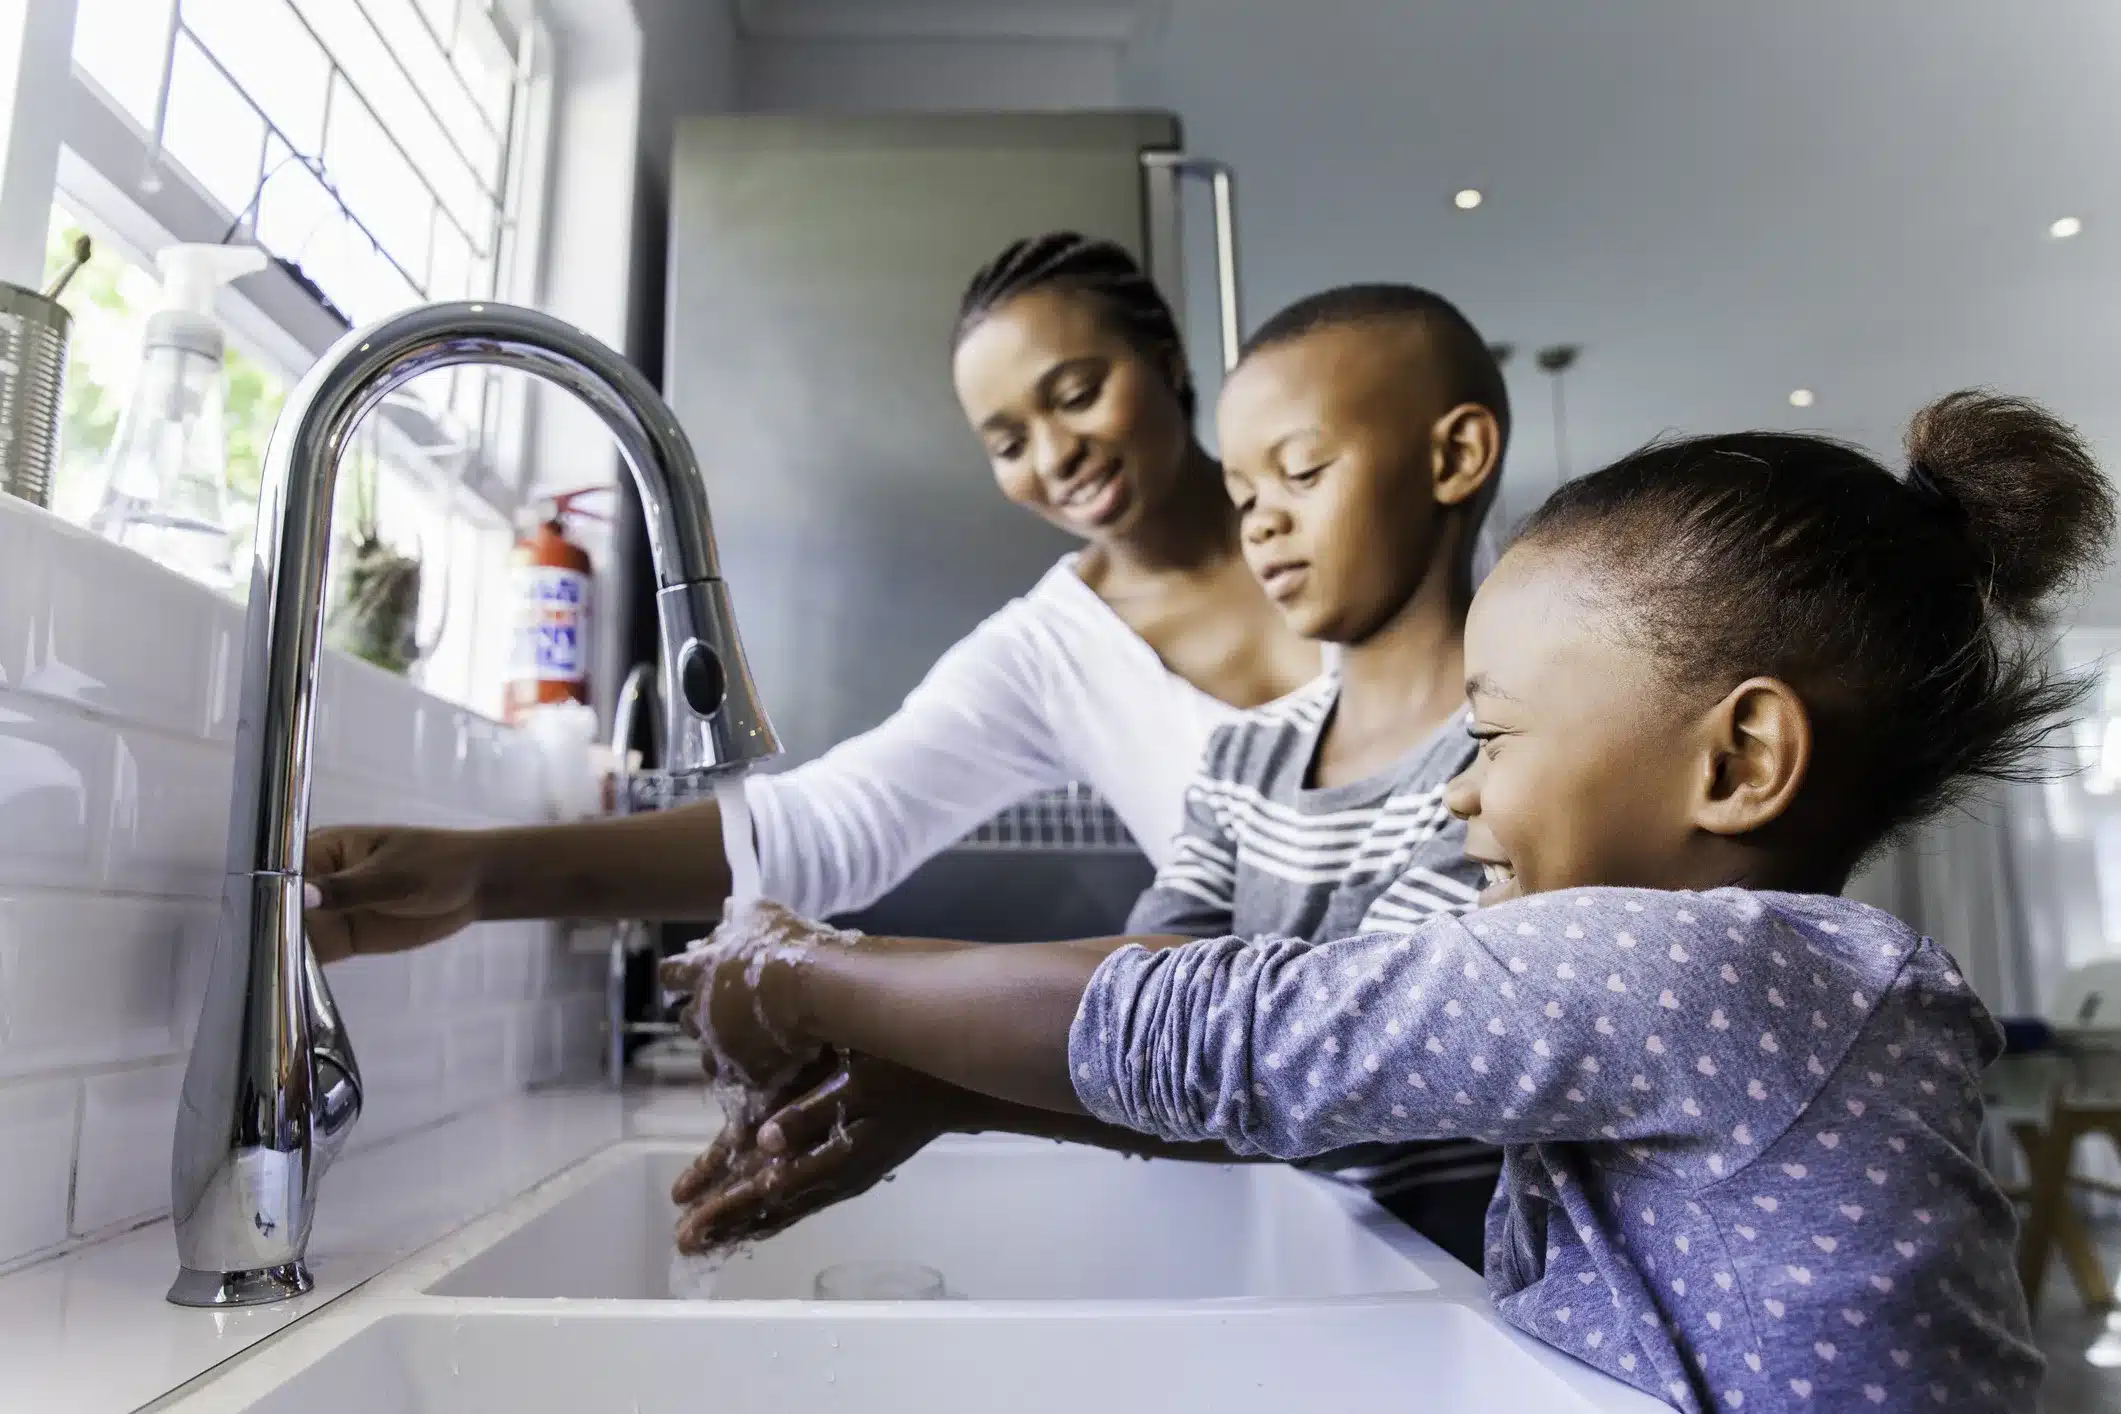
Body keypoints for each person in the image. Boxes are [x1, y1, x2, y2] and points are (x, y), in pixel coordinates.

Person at [664, 391, 2113, 1411]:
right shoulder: (1746, 988)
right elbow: (1337, 1086)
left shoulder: (1701, 967)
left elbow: (1240, 1033)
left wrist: (804, 965)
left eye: (1493, 734)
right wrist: (946, 1091)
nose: (1460, 789)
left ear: (1736, 758)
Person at [670, 284, 1514, 1272]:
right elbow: (1158, 994)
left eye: (1304, 473)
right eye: (1245, 495)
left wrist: (816, 976)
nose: (1263, 525)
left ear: (1455, 457)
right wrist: (941, 1086)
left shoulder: (1514, 760)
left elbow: (1323, 1056)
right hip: (1338, 1274)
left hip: (1487, 1311)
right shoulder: (1246, 761)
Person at [300, 232, 1319, 961]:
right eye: (1007, 442)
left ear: (1169, 362)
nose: (1056, 455)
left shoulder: (1334, 512)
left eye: (1078, 392)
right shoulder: (1048, 655)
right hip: (1340, 1142)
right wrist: (482, 875)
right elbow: (829, 826)